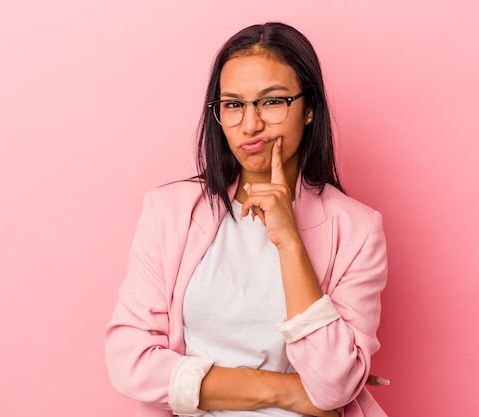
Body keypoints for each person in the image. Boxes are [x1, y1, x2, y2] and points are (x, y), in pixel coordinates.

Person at [105, 22, 389, 417]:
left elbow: (334, 385)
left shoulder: (356, 229)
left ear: (308, 109)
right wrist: (286, 391)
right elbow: (129, 362)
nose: (250, 125)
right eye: (234, 104)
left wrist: (290, 242)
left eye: (272, 102)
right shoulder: (169, 212)